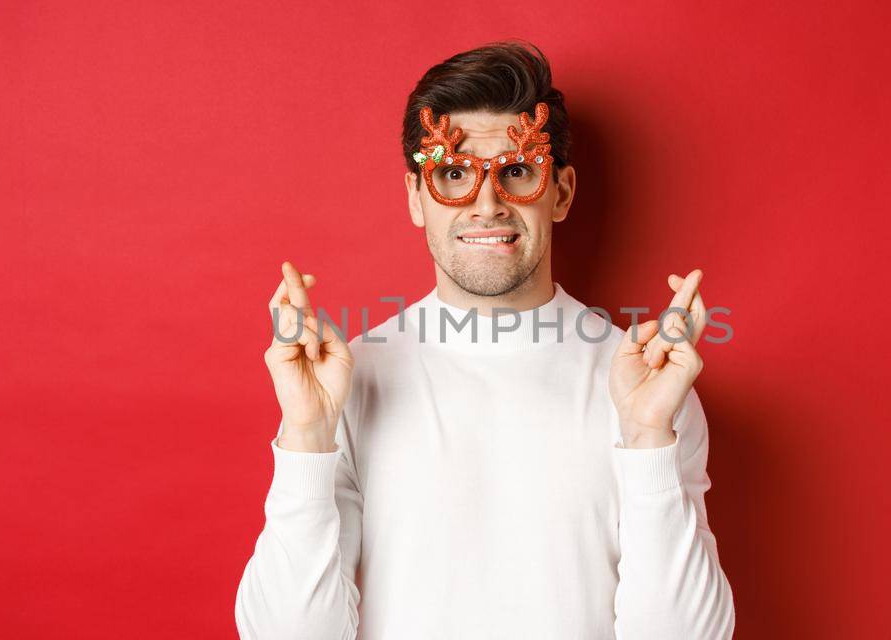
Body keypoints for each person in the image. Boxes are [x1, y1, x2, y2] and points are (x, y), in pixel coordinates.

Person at [235, 41, 735, 639]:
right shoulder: (346, 382)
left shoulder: (648, 386)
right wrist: (307, 437)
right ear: (416, 198)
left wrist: (649, 438)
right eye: (453, 174)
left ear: (562, 192)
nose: (488, 203)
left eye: (518, 171)